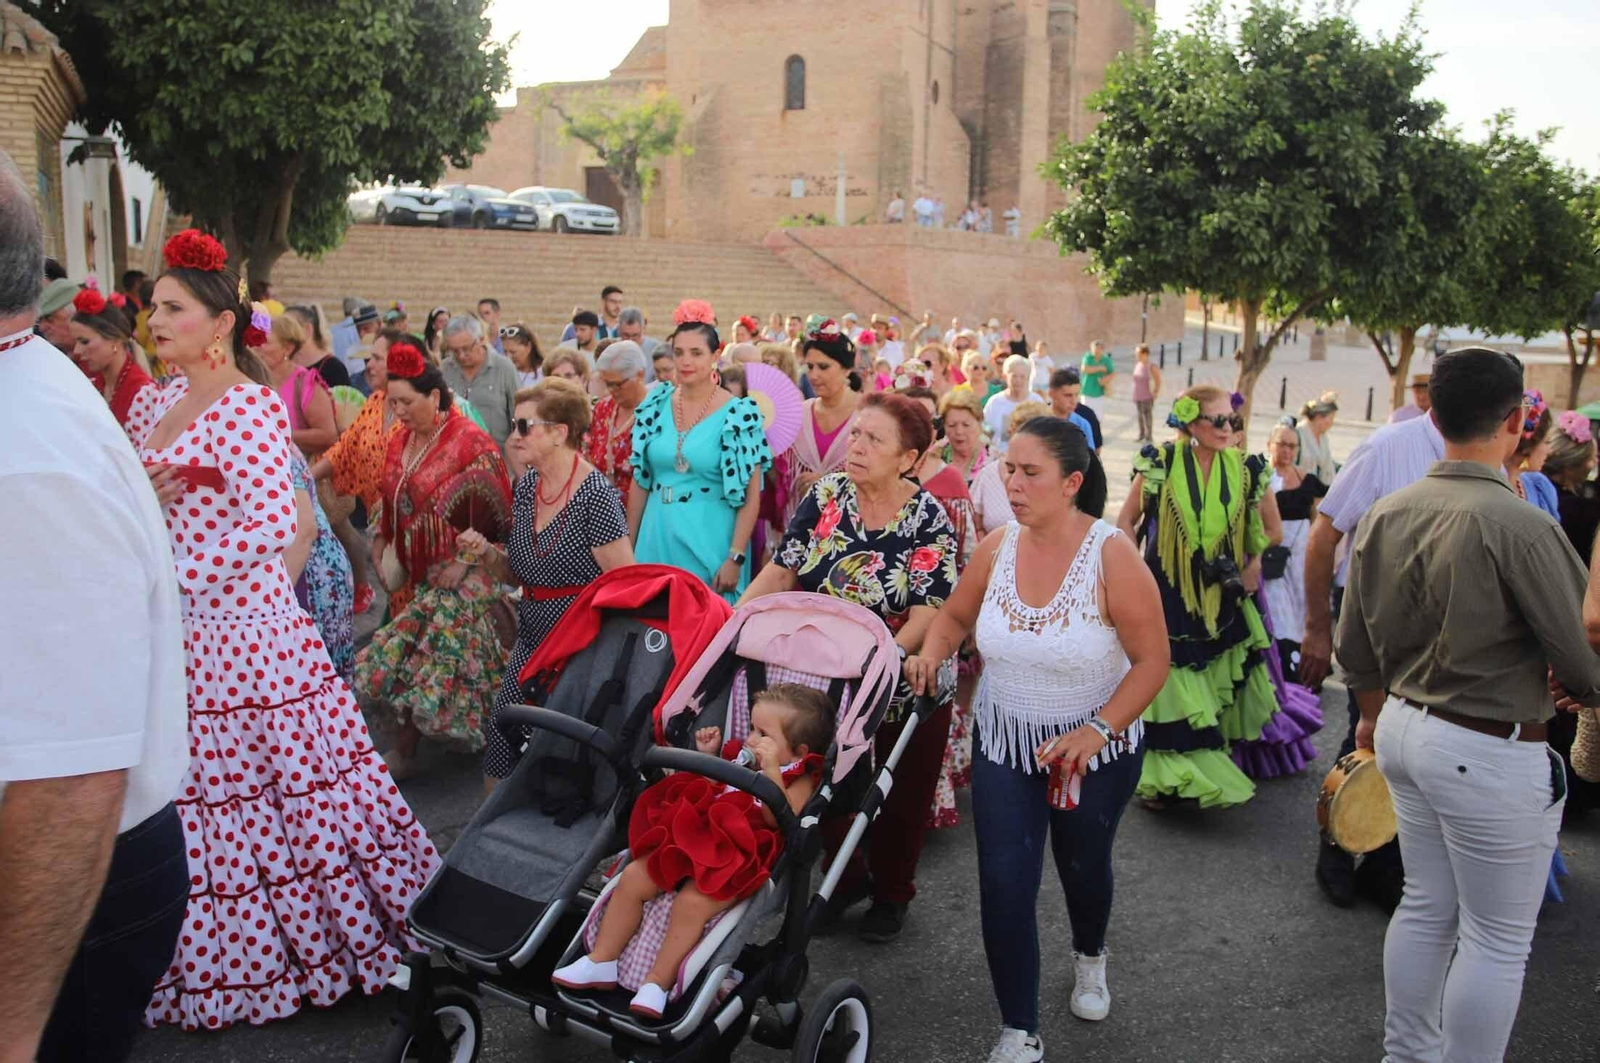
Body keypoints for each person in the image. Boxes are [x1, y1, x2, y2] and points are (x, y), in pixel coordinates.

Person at [126, 230, 438, 1029]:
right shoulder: (153, 401)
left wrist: (176, 575)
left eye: (173, 308)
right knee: (191, 797)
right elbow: (131, 498)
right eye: (154, 306)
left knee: (280, 796)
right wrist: (144, 511)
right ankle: (191, 957)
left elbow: (274, 521)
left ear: (220, 323)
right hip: (178, 635)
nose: (155, 321)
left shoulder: (246, 404)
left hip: (246, 638)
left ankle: (311, 947)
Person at [1335, 347, 1600, 1063]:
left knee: (1427, 906)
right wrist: (1582, 689)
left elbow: (1354, 647)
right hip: (1485, 744)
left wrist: (1370, 714)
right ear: (1515, 421)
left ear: (1435, 413)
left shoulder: (1388, 511)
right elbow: (1582, 659)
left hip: (1404, 726)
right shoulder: (1522, 524)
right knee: (1496, 939)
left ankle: (1405, 1053)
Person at [0, 156, 187, 1062]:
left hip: (55, 882)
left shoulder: (26, 458)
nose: (161, 326)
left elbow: (70, 777)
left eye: (177, 310)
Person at [906, 417, 1169, 1061]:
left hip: (1095, 750)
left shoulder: (1112, 555)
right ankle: (1019, 1029)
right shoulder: (997, 546)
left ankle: (1090, 956)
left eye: (1030, 473)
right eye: (1008, 469)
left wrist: (1098, 729)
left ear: (1072, 483)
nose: (1013, 484)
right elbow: (956, 615)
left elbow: (1152, 661)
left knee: (1083, 867)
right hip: (1006, 740)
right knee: (1003, 881)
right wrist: (933, 652)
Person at [741, 392, 959, 943]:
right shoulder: (827, 495)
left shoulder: (928, 516)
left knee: (897, 793)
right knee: (828, 781)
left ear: (908, 459)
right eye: (855, 434)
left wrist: (878, 662)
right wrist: (732, 619)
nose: (855, 446)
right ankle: (844, 879)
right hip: (824, 675)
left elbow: (928, 613)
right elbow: (784, 570)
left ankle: (893, 893)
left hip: (902, 677)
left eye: (873, 440)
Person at [551, 684, 832, 1017]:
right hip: (696, 836)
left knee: (692, 903)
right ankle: (602, 959)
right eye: (751, 728)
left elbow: (780, 819)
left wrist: (771, 771)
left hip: (738, 855)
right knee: (636, 876)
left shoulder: (799, 777)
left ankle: (658, 983)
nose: (751, 739)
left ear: (799, 751)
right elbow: (715, 790)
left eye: (763, 734)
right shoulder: (742, 759)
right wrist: (710, 757)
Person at [1300, 398, 1445, 911]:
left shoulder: (1493, 456)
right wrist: (1317, 627)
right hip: (1375, 620)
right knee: (1368, 732)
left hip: (1444, 631)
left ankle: (1386, 863)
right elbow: (1324, 535)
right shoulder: (1387, 447)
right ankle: (1338, 847)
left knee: (1419, 749)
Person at [1115, 386, 1285, 809]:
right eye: (1218, 420)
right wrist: (1132, 570)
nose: (1228, 428)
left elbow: (1274, 530)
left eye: (1233, 420)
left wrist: (1254, 563)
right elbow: (1126, 519)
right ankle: (1169, 780)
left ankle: (1203, 766)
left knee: (1212, 676)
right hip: (1165, 589)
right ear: (1192, 424)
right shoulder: (1161, 462)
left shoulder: (1249, 468)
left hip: (1221, 592)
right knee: (1173, 680)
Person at [355, 342, 514, 777]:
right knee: (466, 656)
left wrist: (463, 562)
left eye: (407, 402)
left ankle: (405, 753)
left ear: (435, 396)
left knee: (433, 647)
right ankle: (493, 728)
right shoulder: (400, 440)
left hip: (469, 570)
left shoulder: (470, 442)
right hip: (420, 569)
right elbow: (388, 498)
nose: (399, 411)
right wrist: (381, 539)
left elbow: (496, 516)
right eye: (393, 403)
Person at [469, 379, 634, 786]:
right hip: (532, 636)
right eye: (514, 425)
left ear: (560, 432)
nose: (515, 436)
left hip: (580, 645)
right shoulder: (528, 486)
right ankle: (493, 823)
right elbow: (520, 573)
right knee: (503, 734)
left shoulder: (596, 495)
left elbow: (624, 585)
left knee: (559, 754)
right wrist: (486, 553)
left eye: (525, 426)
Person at [629, 321, 772, 603]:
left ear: (715, 356)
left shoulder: (740, 414)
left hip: (711, 538)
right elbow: (640, 482)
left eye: (696, 353)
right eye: (679, 352)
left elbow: (751, 496)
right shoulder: (655, 404)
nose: (686, 361)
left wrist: (736, 556)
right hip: (655, 533)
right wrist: (628, 551)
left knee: (707, 622)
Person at [902, 386, 978, 830]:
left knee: (926, 706)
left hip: (938, 615)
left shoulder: (949, 482)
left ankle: (923, 805)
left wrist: (965, 620)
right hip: (886, 617)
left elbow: (967, 557)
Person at [311, 329, 407, 616]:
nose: (369, 366)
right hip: (382, 526)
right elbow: (344, 448)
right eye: (369, 359)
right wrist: (303, 478)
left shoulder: (420, 408)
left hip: (411, 527)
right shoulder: (375, 401)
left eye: (377, 358)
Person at [773, 321, 863, 535]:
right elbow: (779, 477)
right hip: (798, 529)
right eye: (810, 367)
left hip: (850, 532)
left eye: (823, 367)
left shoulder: (868, 416)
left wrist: (830, 484)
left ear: (846, 369)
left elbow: (882, 477)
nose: (813, 375)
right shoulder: (797, 414)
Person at [1259, 424, 1327, 679]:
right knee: (1277, 612)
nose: (1287, 451)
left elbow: (1318, 522)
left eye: (1292, 446)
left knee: (1300, 611)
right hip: (1270, 557)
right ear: (1270, 445)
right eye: (1282, 444)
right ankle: (1282, 668)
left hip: (1299, 558)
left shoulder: (1307, 481)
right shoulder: (1260, 480)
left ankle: (1302, 669)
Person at [287, 448, 355, 681]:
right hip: (314, 570)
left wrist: (275, 603)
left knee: (316, 678)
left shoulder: (268, 450)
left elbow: (305, 531)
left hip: (312, 576)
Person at [67, 283, 156, 438]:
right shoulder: (93, 385)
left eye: (85, 341)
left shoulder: (142, 395)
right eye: (76, 342)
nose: (77, 351)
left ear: (114, 340)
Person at [258, 312, 340, 456]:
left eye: (266, 342)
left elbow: (328, 435)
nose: (258, 347)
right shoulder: (253, 380)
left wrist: (278, 434)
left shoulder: (304, 383)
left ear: (288, 348)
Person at [970, 401, 1048, 537]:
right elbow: (976, 527)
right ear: (1010, 432)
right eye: (1022, 434)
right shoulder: (988, 474)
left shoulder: (1052, 477)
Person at [441, 313, 519, 448]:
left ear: (481, 340)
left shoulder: (504, 368)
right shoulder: (444, 370)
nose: (461, 356)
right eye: (455, 351)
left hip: (496, 455)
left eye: (466, 349)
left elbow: (517, 417)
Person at [589, 340, 650, 500]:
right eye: (607, 383)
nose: (611, 390)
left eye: (617, 384)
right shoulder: (603, 408)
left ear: (640, 374)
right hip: (602, 506)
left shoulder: (656, 412)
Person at [1542, 412, 1600, 563]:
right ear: (1569, 466)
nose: (1595, 463)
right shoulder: (1581, 510)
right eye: (1592, 458)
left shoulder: (1533, 488)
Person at [984, 355, 1047, 446]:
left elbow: (1045, 434)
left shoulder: (1037, 402)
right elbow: (985, 430)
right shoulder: (995, 402)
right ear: (1005, 377)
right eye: (1014, 376)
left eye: (1022, 376)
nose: (1018, 380)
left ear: (1028, 378)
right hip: (999, 452)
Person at [1510, 391, 1555, 515]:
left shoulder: (1539, 487)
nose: (1550, 450)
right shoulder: (1492, 487)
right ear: (1529, 445)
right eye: (1546, 442)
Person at [938, 388, 992, 485]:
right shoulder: (934, 456)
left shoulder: (993, 461)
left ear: (979, 423)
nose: (959, 431)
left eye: (966, 425)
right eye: (951, 425)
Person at [1046, 368, 1101, 451]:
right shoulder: (1037, 420)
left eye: (1077, 395)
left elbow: (1091, 456)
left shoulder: (1083, 424)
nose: (1074, 401)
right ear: (1051, 394)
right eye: (1068, 395)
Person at [1294, 391, 1339, 483]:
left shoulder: (1323, 437)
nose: (1331, 423)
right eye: (1331, 418)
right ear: (1318, 417)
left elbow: (1328, 465)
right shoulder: (1297, 433)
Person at [1130, 343, 1161, 442]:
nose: (1136, 355)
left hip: (1147, 396)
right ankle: (1141, 434)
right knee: (1140, 416)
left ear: (1145, 354)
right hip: (1138, 395)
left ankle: (1149, 436)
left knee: (1147, 416)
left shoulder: (1151, 366)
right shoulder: (1138, 365)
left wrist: (1156, 392)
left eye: (1138, 353)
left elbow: (1158, 380)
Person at [617, 306, 662, 372]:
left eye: (635, 335)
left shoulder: (657, 350)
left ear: (643, 329)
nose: (630, 341)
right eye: (626, 335)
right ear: (619, 330)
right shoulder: (611, 350)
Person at [503, 323, 543, 388]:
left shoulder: (545, 373)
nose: (508, 357)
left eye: (513, 352)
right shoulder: (501, 373)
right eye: (505, 352)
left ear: (528, 347)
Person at [1078, 340, 1112, 414]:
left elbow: (1112, 373)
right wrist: (1100, 368)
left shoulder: (1106, 359)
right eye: (1093, 349)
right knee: (1085, 413)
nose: (1095, 352)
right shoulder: (1088, 357)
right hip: (1086, 391)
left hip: (1099, 392)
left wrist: (1105, 380)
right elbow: (1085, 369)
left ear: (1102, 349)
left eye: (1097, 350)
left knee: (1097, 415)